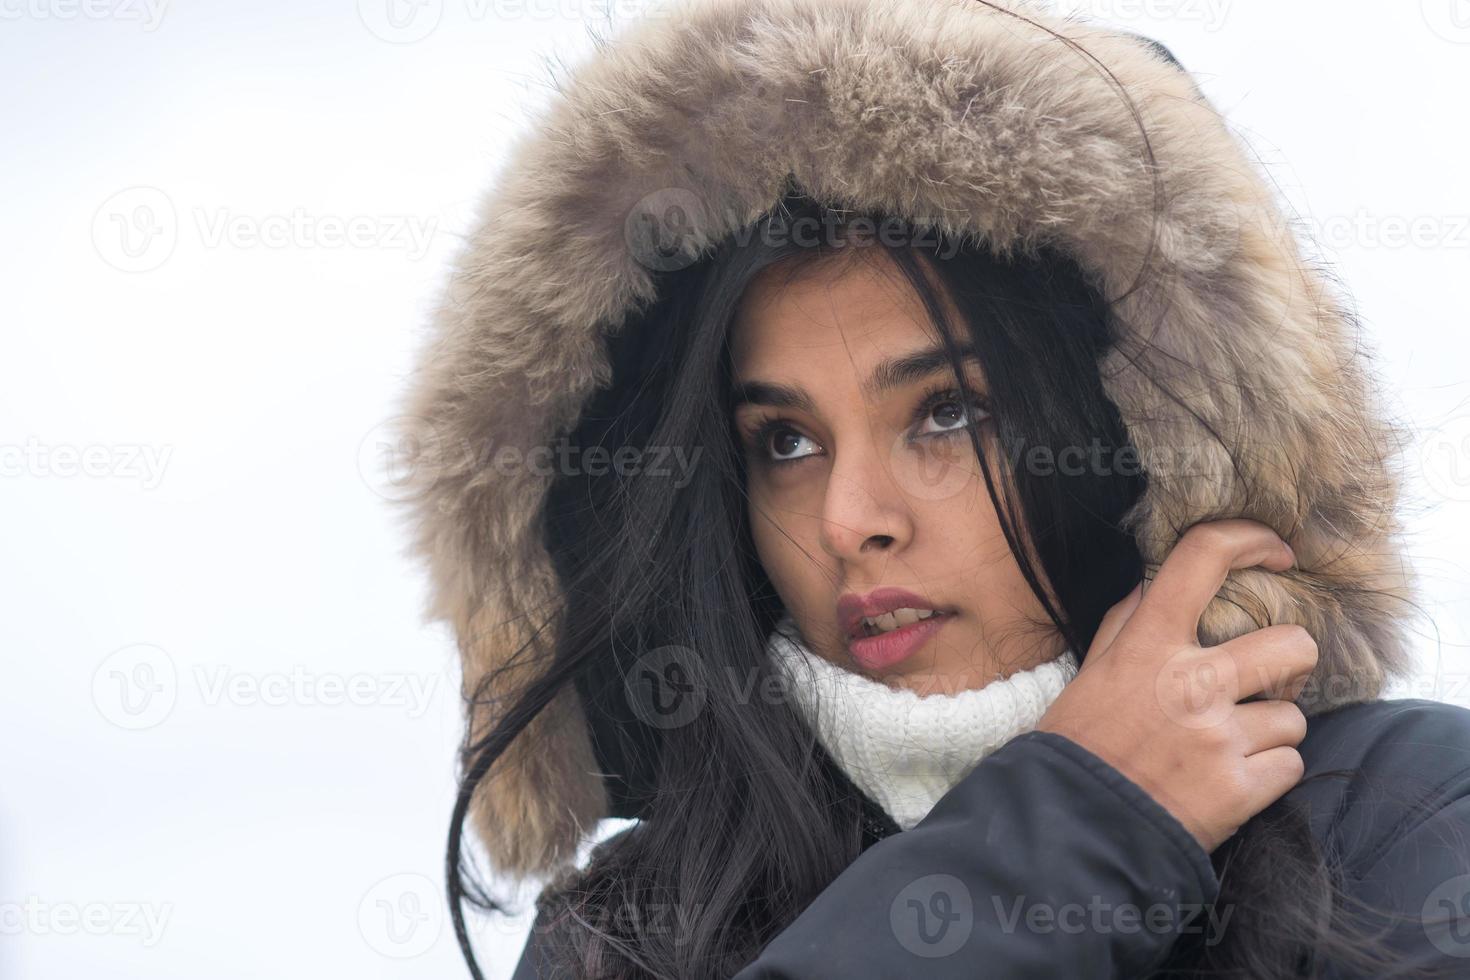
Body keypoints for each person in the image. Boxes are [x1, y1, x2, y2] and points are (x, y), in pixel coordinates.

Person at [396, 1, 1470, 976]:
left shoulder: (1396, 813)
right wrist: (1082, 828)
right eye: (783, 440)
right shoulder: (626, 933)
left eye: (946, 413)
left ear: (1132, 431)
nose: (848, 520)